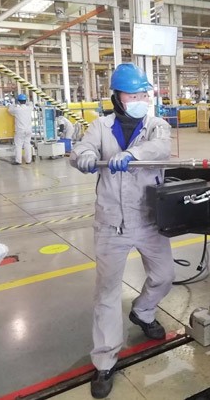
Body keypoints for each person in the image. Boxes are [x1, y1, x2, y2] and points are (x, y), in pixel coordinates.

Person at [70, 63, 174, 399]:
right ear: (117, 97)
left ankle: (143, 311)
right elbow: (81, 149)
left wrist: (131, 154)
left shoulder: (156, 125)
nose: (139, 100)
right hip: (111, 223)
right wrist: (85, 157)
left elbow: (161, 149)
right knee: (107, 292)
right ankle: (104, 361)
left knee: (165, 275)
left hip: (148, 219)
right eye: (132, 95)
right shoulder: (100, 127)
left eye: (143, 94)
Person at [8, 93, 33, 165]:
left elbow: (9, 110)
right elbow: (31, 103)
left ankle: (18, 161)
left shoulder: (17, 110)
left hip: (20, 130)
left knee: (18, 145)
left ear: (18, 101)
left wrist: (13, 102)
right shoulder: (29, 108)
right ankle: (28, 160)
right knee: (27, 144)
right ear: (25, 101)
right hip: (28, 130)